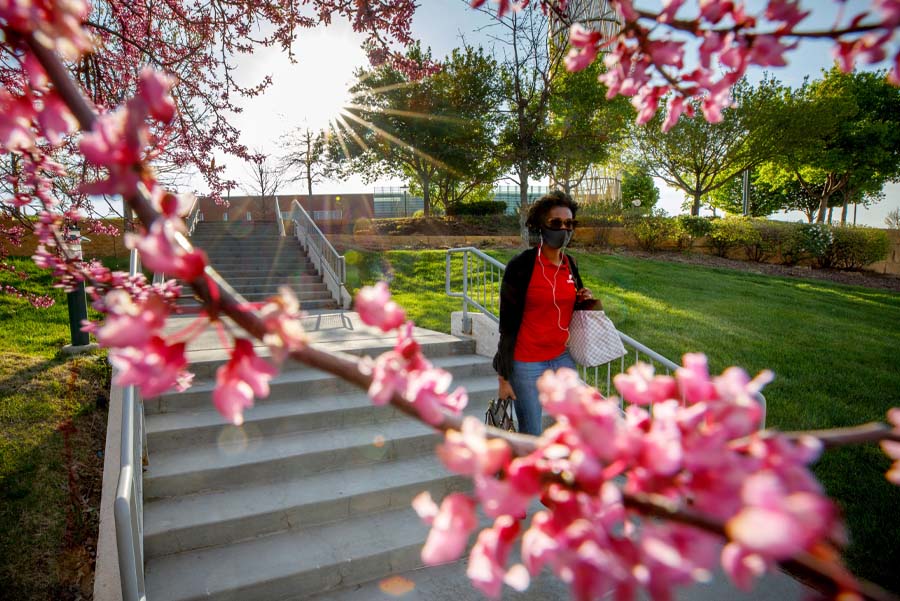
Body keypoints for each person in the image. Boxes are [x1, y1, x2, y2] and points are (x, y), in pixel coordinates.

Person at [493, 190, 597, 436]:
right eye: (556, 223)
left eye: (569, 223)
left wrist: (583, 299)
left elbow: (568, 305)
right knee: (532, 431)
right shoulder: (521, 266)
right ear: (541, 226)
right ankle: (532, 472)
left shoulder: (570, 264)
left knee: (572, 425)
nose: (564, 228)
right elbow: (507, 324)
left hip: (561, 357)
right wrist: (503, 378)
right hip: (526, 362)